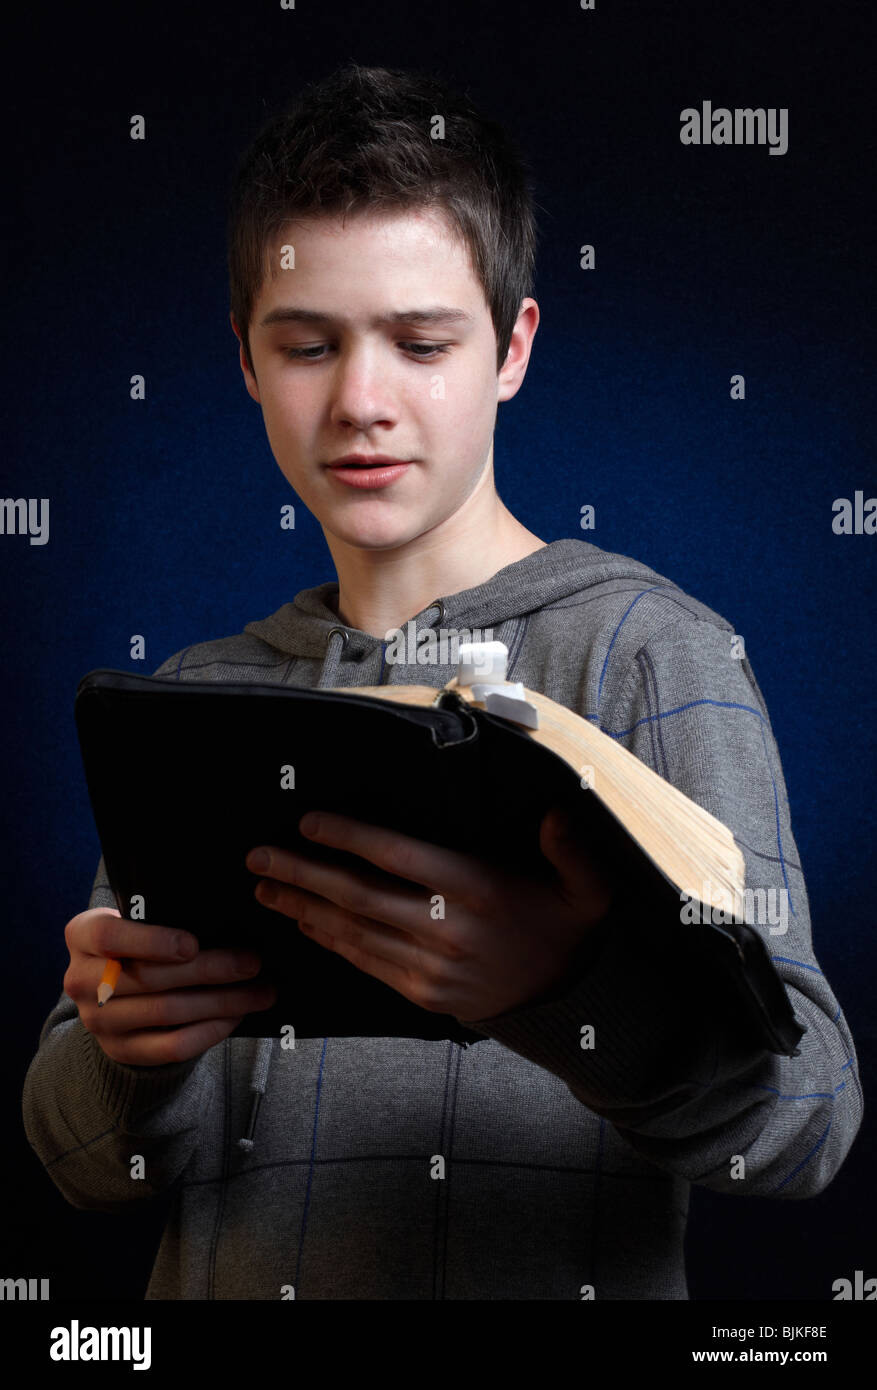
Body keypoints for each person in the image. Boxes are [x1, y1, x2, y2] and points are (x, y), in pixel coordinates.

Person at [23, 62, 861, 1301]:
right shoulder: (201, 697)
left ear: (513, 347)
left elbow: (809, 1117)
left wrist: (570, 994)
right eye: (307, 345)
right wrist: (127, 1052)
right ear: (247, 362)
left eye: (421, 343)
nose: (361, 402)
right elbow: (88, 1166)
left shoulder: (650, 650)